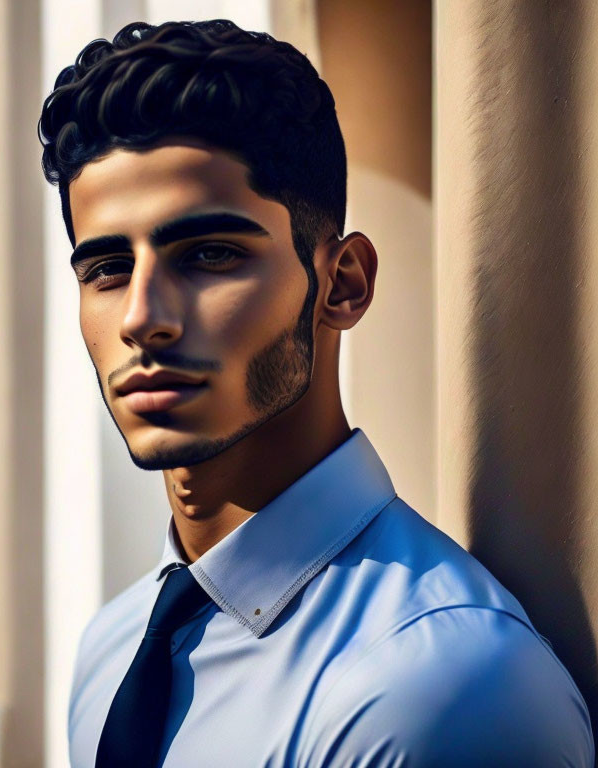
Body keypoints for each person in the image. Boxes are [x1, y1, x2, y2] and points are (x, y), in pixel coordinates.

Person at [39, 20, 594, 768]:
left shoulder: (444, 691)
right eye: (106, 268)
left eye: (209, 254)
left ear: (343, 283)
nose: (142, 318)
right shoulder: (111, 646)